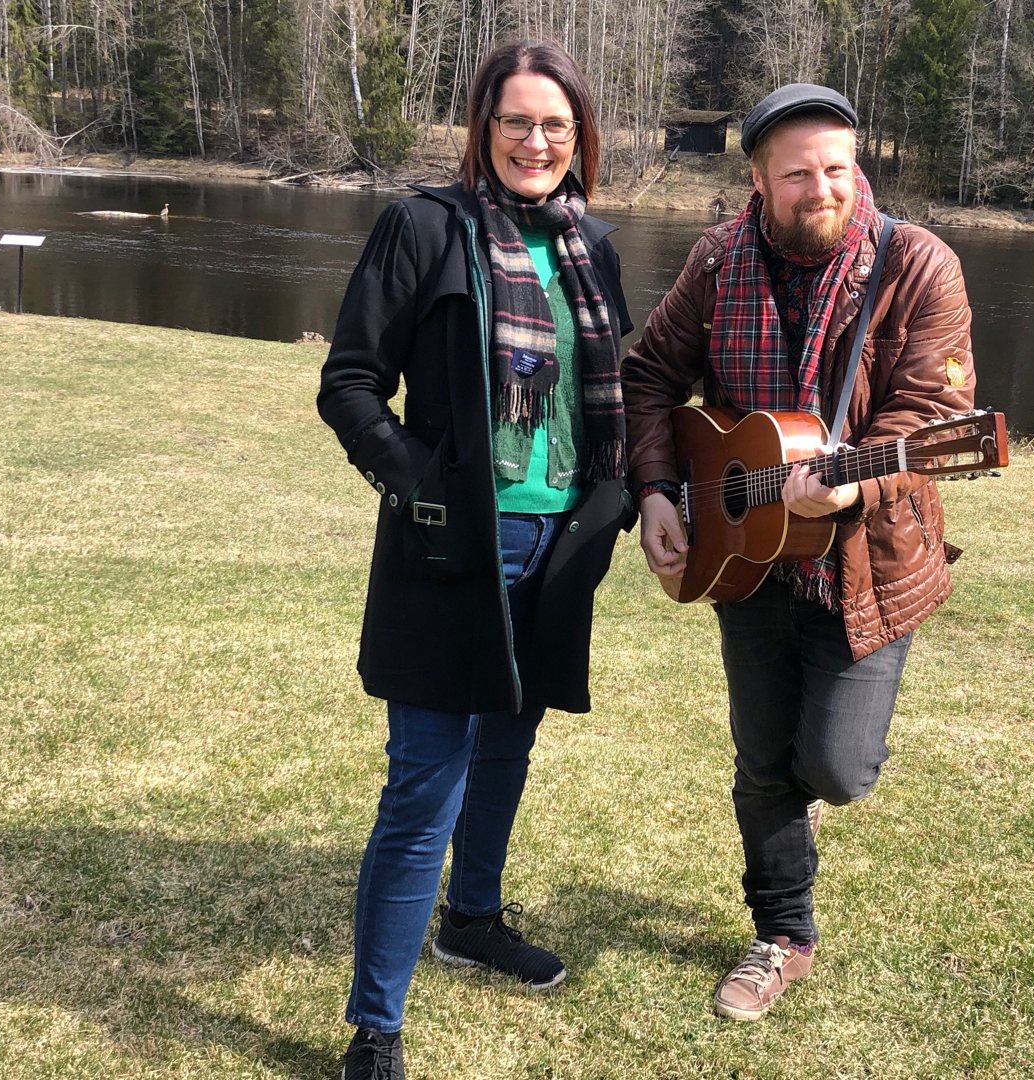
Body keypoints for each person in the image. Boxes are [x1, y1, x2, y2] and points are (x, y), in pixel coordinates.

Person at [620, 84, 977, 1022]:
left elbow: (934, 415)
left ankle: (819, 788)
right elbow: (650, 372)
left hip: (867, 560)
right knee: (761, 763)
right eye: (799, 174)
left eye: (838, 169)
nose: (823, 189)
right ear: (757, 180)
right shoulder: (717, 259)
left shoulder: (920, 266)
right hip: (744, 557)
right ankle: (782, 934)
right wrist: (659, 489)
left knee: (837, 770)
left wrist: (856, 480)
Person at [316, 40, 632, 1080]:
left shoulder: (593, 250)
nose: (536, 141)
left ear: (579, 137)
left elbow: (615, 402)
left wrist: (619, 498)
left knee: (508, 748)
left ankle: (475, 918)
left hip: (556, 547)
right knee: (424, 790)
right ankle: (377, 1028)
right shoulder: (424, 228)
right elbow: (351, 384)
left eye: (556, 125)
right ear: (482, 129)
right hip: (456, 547)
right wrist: (424, 491)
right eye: (516, 121)